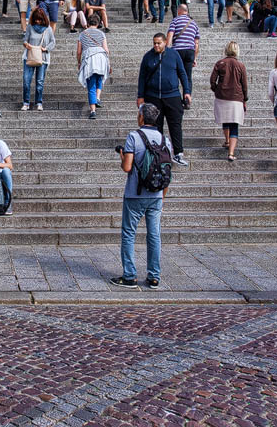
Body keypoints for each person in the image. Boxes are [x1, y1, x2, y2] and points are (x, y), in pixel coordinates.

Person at [110, 103, 170, 288]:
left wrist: (122, 157)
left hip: (135, 194)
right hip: (157, 194)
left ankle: (130, 276)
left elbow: (127, 167)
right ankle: (154, 276)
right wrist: (162, 195)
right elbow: (168, 168)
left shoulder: (134, 137)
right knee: (154, 235)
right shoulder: (164, 139)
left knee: (129, 233)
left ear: (141, 117)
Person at [137, 33, 192, 167]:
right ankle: (158, 154)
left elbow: (182, 74)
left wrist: (187, 91)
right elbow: (142, 77)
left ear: (165, 42)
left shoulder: (174, 55)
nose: (156, 46)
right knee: (156, 127)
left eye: (159, 43)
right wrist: (140, 96)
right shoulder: (148, 57)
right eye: (154, 43)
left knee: (175, 125)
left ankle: (178, 153)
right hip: (153, 96)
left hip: (172, 96)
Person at [210, 41, 248, 161]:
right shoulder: (240, 65)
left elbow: (212, 80)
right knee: (234, 125)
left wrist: (216, 89)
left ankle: (226, 141)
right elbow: (244, 84)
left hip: (222, 96)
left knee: (225, 120)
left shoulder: (220, 63)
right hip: (236, 97)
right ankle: (231, 153)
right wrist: (245, 98)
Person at [77, 16, 110, 119]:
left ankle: (93, 111)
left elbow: (79, 51)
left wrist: (79, 62)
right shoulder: (101, 34)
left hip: (90, 59)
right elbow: (106, 50)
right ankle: (98, 97)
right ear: (98, 23)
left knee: (91, 85)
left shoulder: (82, 34)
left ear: (88, 22)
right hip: (101, 58)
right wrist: (109, 63)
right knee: (99, 78)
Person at [166, 5, 200, 92]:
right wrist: (195, 58)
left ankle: (175, 97)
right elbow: (196, 43)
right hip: (190, 51)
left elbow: (170, 35)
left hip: (177, 51)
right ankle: (187, 99)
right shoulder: (194, 23)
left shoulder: (175, 20)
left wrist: (166, 50)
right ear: (187, 11)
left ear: (179, 11)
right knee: (188, 77)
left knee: (174, 75)